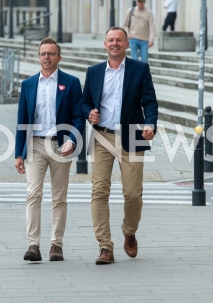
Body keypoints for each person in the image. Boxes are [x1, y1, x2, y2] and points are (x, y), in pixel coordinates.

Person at [80, 27, 158, 265]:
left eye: (119, 40)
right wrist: (89, 113)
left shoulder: (140, 69)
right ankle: (105, 247)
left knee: (133, 193)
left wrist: (150, 124)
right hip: (102, 136)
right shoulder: (93, 72)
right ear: (105, 44)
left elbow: (150, 101)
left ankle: (129, 230)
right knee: (99, 191)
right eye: (110, 40)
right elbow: (85, 102)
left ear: (126, 44)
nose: (114, 44)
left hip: (133, 134)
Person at [15, 37, 85, 262]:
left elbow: (78, 117)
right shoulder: (28, 85)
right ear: (38, 57)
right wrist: (19, 153)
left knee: (59, 197)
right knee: (33, 194)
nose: (47, 57)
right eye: (43, 54)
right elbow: (22, 120)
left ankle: (56, 244)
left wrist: (73, 140)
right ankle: (33, 245)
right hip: (35, 144)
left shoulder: (71, 82)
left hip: (60, 145)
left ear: (59, 57)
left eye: (51, 54)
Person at [122, 0, 155, 64]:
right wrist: (128, 34)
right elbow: (125, 25)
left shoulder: (149, 12)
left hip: (144, 40)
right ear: (136, 2)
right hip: (133, 38)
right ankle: (136, 75)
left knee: (144, 61)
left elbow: (151, 27)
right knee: (134, 60)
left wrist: (151, 39)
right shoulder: (131, 11)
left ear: (144, 2)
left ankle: (143, 75)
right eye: (138, 1)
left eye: (141, 2)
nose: (140, 3)